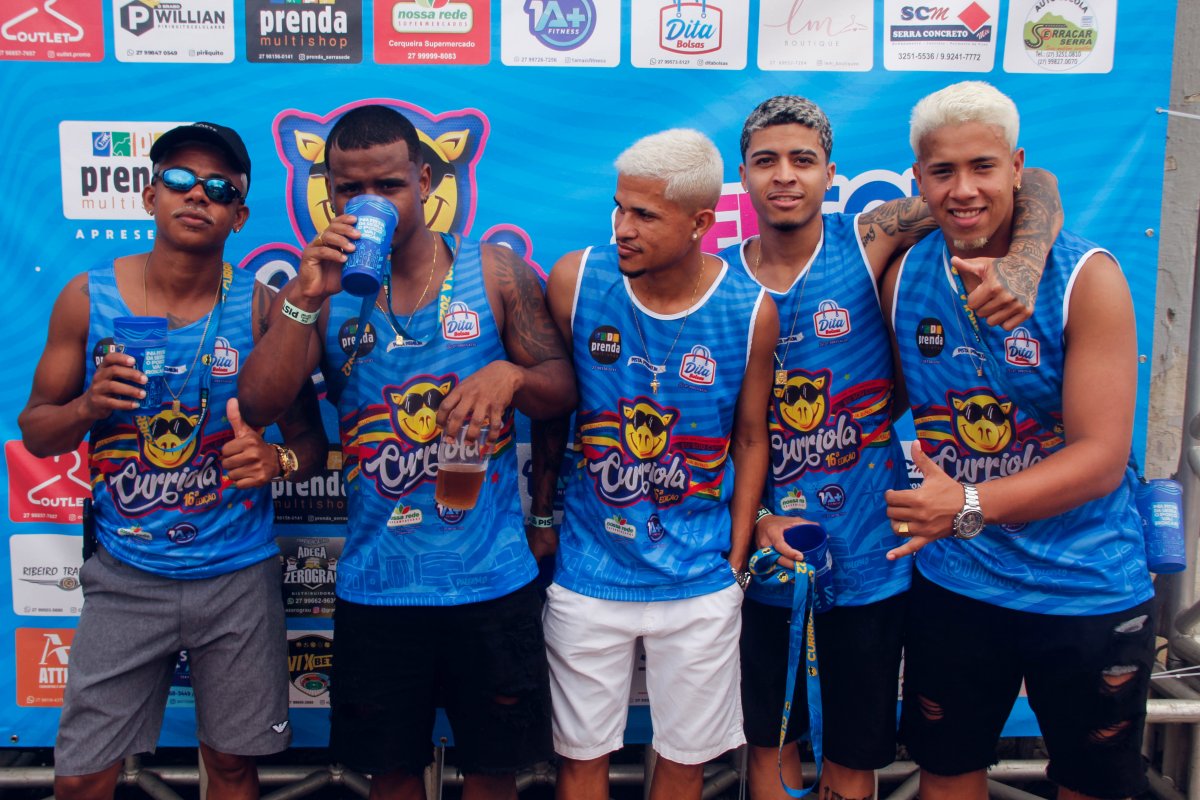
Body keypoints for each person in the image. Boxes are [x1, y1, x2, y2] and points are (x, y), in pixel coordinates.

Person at [720, 97, 1063, 800]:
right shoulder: (717, 282)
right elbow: (709, 430)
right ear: (743, 176)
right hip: (766, 552)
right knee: (770, 746)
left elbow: (1034, 182)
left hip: (873, 556)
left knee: (854, 754)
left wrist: (1025, 265)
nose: (784, 176)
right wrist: (754, 518)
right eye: (765, 161)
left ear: (830, 174)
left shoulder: (868, 237)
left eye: (802, 160)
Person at [236, 104, 576, 800]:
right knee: (390, 776)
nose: (371, 204)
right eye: (350, 190)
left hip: (490, 579)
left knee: (494, 774)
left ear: (423, 181)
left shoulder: (494, 271)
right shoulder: (317, 291)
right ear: (329, 194)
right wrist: (305, 295)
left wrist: (510, 376)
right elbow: (263, 405)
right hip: (377, 583)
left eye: (388, 186)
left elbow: (562, 390)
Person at [19, 122, 327, 800]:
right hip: (127, 572)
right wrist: (88, 407)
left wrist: (276, 460)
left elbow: (311, 444)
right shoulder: (87, 297)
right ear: (149, 194)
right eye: (181, 180)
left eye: (220, 188)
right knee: (82, 776)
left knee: (234, 768)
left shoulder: (263, 307)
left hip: (237, 575)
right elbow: (36, 433)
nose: (198, 195)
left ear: (239, 216)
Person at [883, 81, 1155, 800]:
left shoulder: (1085, 278)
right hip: (959, 583)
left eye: (984, 166)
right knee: (945, 778)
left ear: (1017, 168)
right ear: (918, 179)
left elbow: (1100, 460)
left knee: (1092, 787)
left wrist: (967, 504)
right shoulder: (903, 271)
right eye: (943, 171)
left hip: (1085, 584)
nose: (964, 189)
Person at [537, 128, 778, 800]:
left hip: (699, 579)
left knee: (684, 763)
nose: (623, 228)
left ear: (700, 223)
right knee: (579, 760)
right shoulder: (577, 281)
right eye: (619, 208)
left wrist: (735, 560)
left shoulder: (750, 310)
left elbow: (751, 439)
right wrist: (542, 515)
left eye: (644, 214)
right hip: (589, 571)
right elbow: (551, 413)